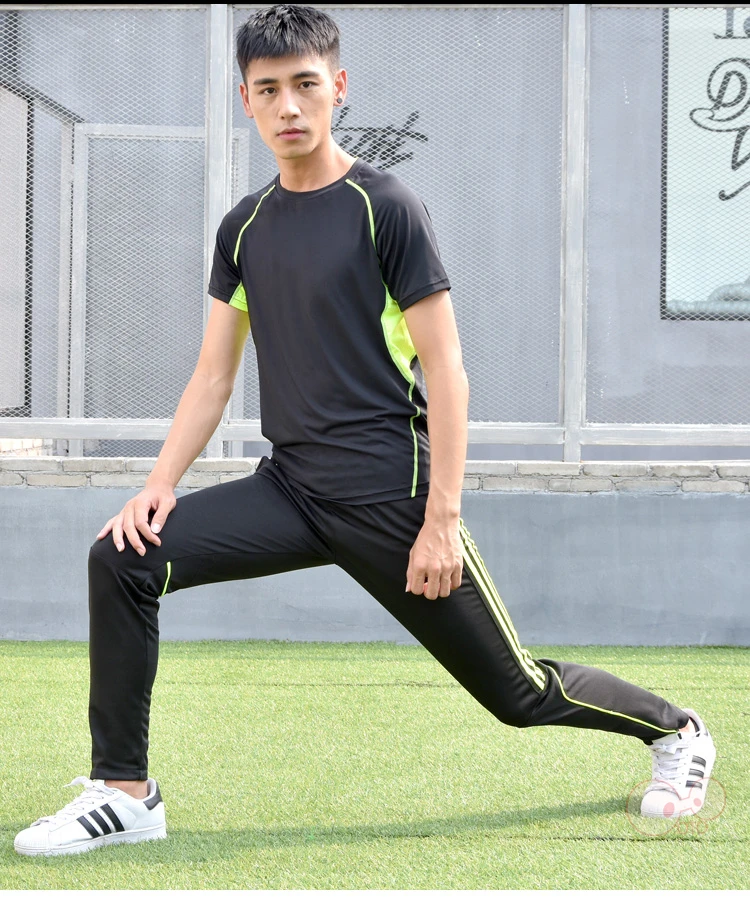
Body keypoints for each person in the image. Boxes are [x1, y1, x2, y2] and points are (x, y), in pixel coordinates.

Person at [15, 4, 715, 857]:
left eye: (305, 85)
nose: (288, 106)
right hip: (290, 491)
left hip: (394, 497)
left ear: (338, 87)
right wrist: (158, 485)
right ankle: (126, 793)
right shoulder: (244, 227)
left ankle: (677, 730)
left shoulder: (386, 207)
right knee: (123, 556)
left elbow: (447, 369)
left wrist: (442, 518)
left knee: (517, 693)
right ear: (246, 100)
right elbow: (213, 375)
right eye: (267, 90)